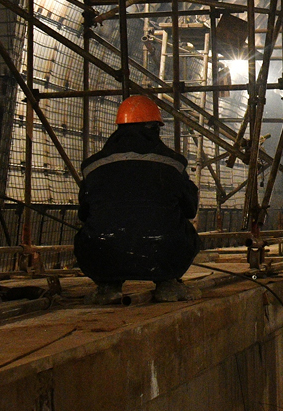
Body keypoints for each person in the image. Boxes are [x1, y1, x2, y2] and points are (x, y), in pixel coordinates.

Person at [75, 95, 201, 304]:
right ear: (154, 127)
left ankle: (108, 287)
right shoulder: (173, 164)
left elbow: (84, 213)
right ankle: (167, 284)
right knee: (186, 232)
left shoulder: (92, 166)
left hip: (104, 252)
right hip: (161, 251)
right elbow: (190, 209)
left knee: (89, 234)